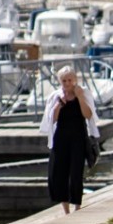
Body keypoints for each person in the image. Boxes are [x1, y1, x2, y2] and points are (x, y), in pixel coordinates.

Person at [41, 65, 100, 215]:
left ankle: (77, 206)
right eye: (63, 80)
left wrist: (79, 97)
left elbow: (88, 115)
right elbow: (51, 120)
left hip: (78, 137)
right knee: (59, 173)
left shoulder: (84, 93)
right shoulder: (56, 96)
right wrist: (59, 105)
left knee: (76, 173)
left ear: (75, 80)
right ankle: (66, 209)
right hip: (61, 137)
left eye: (69, 80)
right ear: (59, 81)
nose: (67, 83)